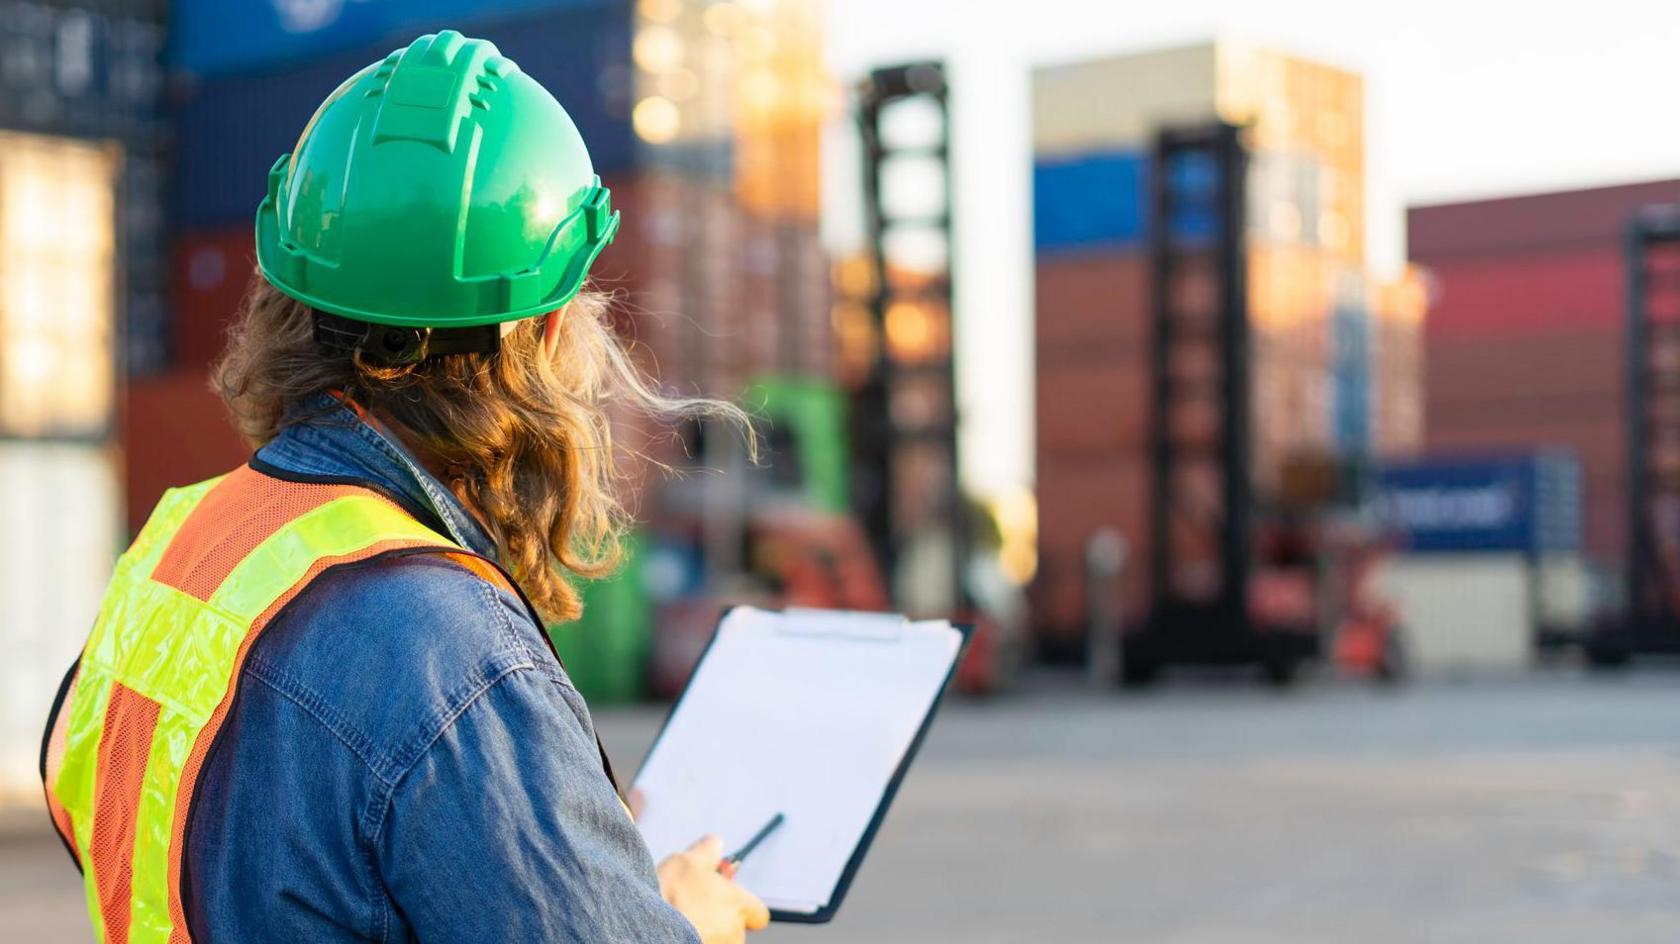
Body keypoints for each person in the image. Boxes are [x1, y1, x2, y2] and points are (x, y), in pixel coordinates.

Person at [40, 30, 768, 944]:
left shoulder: (180, 544)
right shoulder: (452, 651)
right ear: (537, 339)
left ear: (288, 304)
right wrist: (684, 918)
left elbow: (118, 807)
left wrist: (528, 809)